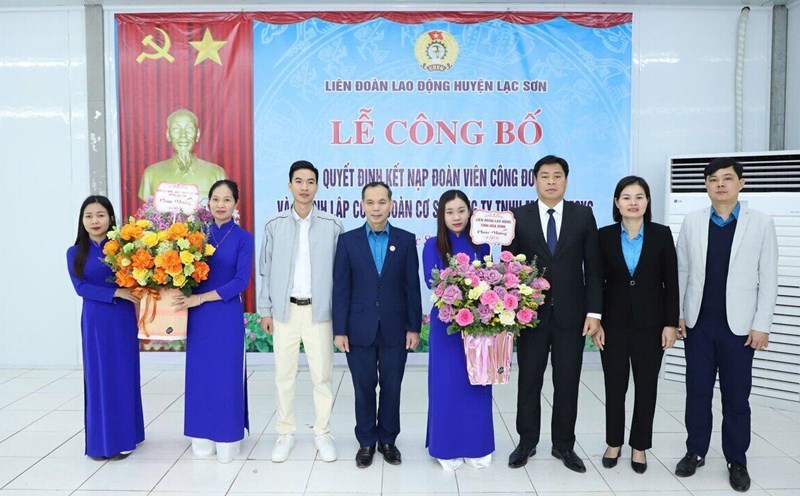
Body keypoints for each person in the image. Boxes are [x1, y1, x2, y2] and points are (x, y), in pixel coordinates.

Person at [674, 157, 778, 492]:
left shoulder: (760, 223)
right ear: (706, 185)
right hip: (698, 325)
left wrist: (762, 324)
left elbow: (770, 278)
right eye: (713, 179)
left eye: (727, 178)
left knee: (736, 397)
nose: (720, 184)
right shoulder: (691, 221)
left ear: (741, 183)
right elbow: (682, 272)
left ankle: (737, 459)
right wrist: (678, 314)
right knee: (697, 394)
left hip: (740, 328)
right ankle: (696, 451)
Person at [504, 154, 602, 473]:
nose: (550, 181)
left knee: (567, 382)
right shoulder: (519, 216)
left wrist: (594, 312)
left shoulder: (583, 216)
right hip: (530, 317)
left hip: (572, 317)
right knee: (529, 381)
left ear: (566, 180)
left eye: (556, 176)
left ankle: (563, 445)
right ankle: (526, 442)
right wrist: (511, 311)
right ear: (534, 180)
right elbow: (510, 268)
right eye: (544, 175)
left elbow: (594, 267)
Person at [257, 160, 343, 463]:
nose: (304, 187)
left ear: (317, 186)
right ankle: (285, 432)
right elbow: (265, 271)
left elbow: (341, 275)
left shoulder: (332, 226)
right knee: (284, 375)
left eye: (310, 181)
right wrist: (265, 310)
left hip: (320, 313)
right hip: (285, 312)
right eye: (299, 181)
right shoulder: (274, 225)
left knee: (322, 376)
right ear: (290, 185)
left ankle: (322, 432)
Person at [592, 176, 679, 474]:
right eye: (626, 197)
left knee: (646, 387)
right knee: (614, 387)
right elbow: (596, 283)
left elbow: (672, 283)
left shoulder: (661, 235)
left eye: (639, 196)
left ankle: (639, 445)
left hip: (651, 327)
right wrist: (597, 321)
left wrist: (670, 324)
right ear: (617, 203)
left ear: (647, 202)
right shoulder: (603, 236)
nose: (633, 202)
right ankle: (614, 442)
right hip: (613, 326)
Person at [332, 181, 422, 468]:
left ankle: (388, 440)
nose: (376, 207)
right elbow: (341, 288)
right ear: (362, 205)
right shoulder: (348, 241)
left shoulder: (406, 240)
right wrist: (340, 330)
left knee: (392, 386)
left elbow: (412, 288)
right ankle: (367, 442)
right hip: (358, 328)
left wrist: (414, 327)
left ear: (391, 204)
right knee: (364, 387)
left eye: (381, 202)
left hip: (396, 328)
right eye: (370, 202)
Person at [174, 179, 254, 463]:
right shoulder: (194, 236)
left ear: (235, 203)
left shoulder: (244, 238)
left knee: (226, 374)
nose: (221, 205)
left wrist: (200, 299)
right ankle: (201, 431)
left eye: (227, 199)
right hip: (198, 318)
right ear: (209, 203)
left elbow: (240, 282)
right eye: (216, 199)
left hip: (225, 313)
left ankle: (228, 433)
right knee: (200, 374)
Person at [66, 195, 144, 460]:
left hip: (122, 318)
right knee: (99, 376)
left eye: (100, 215)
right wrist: (115, 293)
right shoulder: (75, 252)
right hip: (96, 319)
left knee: (123, 373)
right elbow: (81, 288)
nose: (94, 221)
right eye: (89, 216)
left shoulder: (123, 248)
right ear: (82, 221)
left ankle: (126, 436)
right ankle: (102, 440)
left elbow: (139, 277)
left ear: (111, 218)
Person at [423, 190, 493, 471]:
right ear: (442, 215)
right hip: (447, 326)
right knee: (447, 385)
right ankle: (446, 447)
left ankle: (476, 445)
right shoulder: (432, 245)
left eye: (461, 210)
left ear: (470, 212)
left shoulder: (482, 244)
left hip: (478, 325)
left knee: (477, 383)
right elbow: (434, 283)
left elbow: (491, 280)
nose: (456, 217)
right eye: (450, 212)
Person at [138, 108, 226, 201]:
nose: (183, 135)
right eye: (176, 129)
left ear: (197, 135)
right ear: (168, 135)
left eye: (189, 129)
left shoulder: (217, 174)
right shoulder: (150, 174)